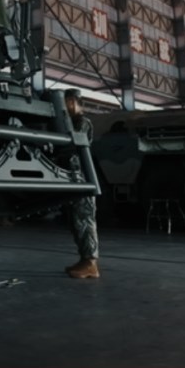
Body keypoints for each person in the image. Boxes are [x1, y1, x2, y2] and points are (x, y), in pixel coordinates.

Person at [62, 89, 100, 279]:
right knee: (76, 221)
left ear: (74, 102)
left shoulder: (83, 122)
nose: (66, 106)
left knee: (85, 219)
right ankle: (84, 259)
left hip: (82, 177)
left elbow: (74, 143)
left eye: (68, 102)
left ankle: (91, 263)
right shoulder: (71, 121)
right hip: (74, 177)